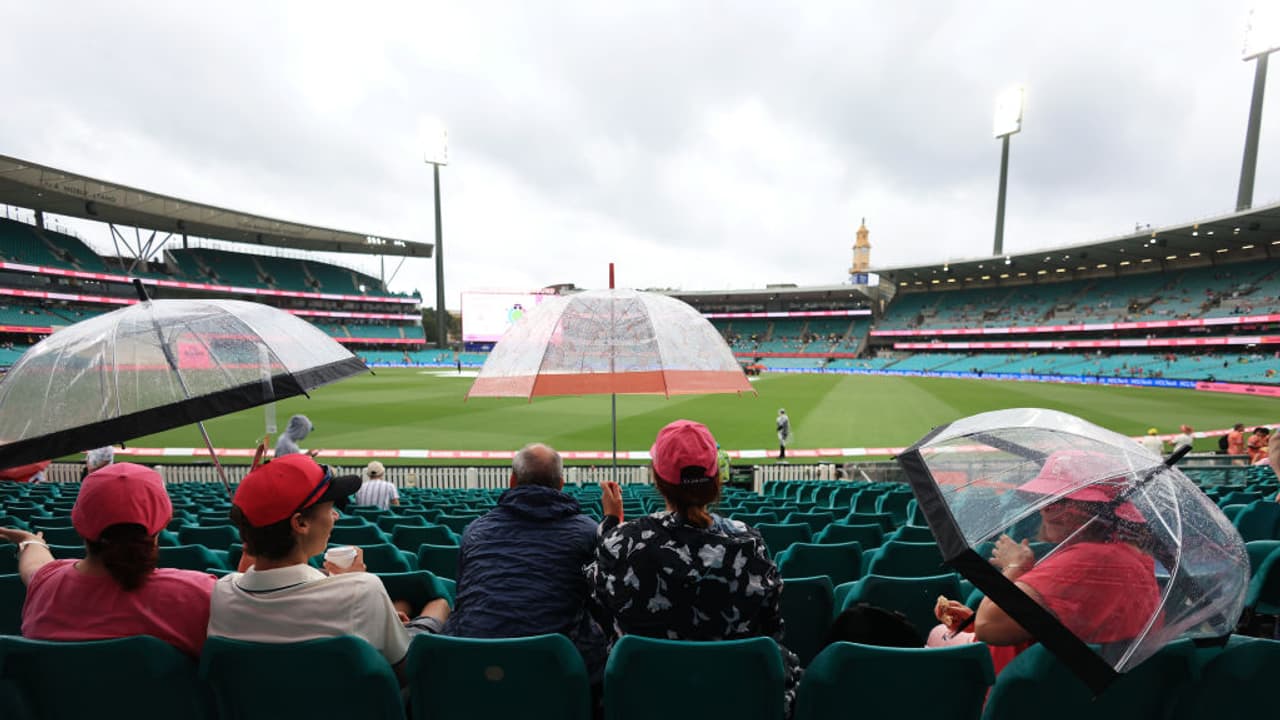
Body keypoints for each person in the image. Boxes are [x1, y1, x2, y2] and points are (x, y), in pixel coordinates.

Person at [587, 420, 802, 713]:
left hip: (644, 699)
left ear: (658, 480)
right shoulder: (750, 543)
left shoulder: (623, 542)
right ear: (715, 480)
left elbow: (598, 603)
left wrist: (611, 523)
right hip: (732, 700)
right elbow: (772, 628)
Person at [208, 453, 449, 681]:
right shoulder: (362, 590)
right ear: (300, 523)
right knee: (440, 604)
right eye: (329, 508)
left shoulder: (221, 593)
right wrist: (353, 584)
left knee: (401, 606)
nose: (336, 516)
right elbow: (406, 671)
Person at [931, 450, 1160, 675]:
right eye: (1046, 499)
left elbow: (988, 627)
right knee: (943, 631)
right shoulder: (1129, 556)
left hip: (1024, 684)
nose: (1043, 509)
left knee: (936, 635)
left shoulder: (1084, 562)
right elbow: (1061, 621)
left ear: (1090, 511)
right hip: (1059, 677)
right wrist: (974, 620)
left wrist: (1014, 566)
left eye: (1056, 502)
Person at [0, 463, 216, 657]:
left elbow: (34, 566)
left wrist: (30, 541)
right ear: (162, 522)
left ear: (78, 522)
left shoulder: (45, 585)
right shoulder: (201, 594)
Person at [444, 443, 608, 681]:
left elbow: (463, 596)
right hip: (556, 674)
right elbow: (603, 601)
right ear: (561, 485)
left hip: (472, 669)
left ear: (512, 481)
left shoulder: (475, 531)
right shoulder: (588, 531)